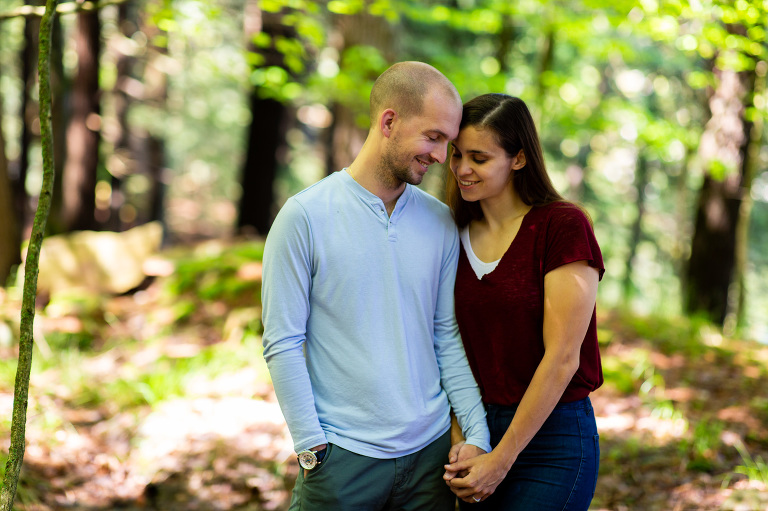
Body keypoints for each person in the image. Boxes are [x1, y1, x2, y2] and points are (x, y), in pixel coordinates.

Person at [261, 61, 491, 511]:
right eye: (434, 137)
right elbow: (283, 341)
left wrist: (477, 433)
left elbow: (445, 335)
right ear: (389, 121)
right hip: (342, 461)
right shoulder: (305, 216)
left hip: (430, 461)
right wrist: (311, 447)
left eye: (449, 142)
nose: (443, 157)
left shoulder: (440, 222)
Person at [441, 93, 604, 510]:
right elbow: (444, 347)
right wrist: (468, 441)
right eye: (456, 155)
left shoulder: (561, 226)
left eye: (479, 158)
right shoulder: (446, 233)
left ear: (518, 158)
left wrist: (502, 458)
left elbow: (563, 358)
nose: (462, 169)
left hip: (554, 439)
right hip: (477, 431)